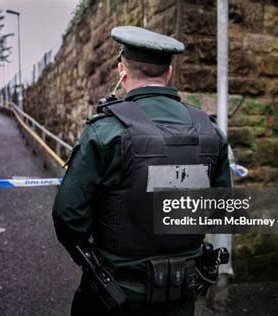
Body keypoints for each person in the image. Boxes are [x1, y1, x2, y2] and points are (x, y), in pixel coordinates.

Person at [52, 25, 232, 316]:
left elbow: (67, 214)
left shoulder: (105, 132)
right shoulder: (210, 132)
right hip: (181, 294)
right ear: (169, 73)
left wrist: (94, 259)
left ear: (122, 71)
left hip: (116, 294)